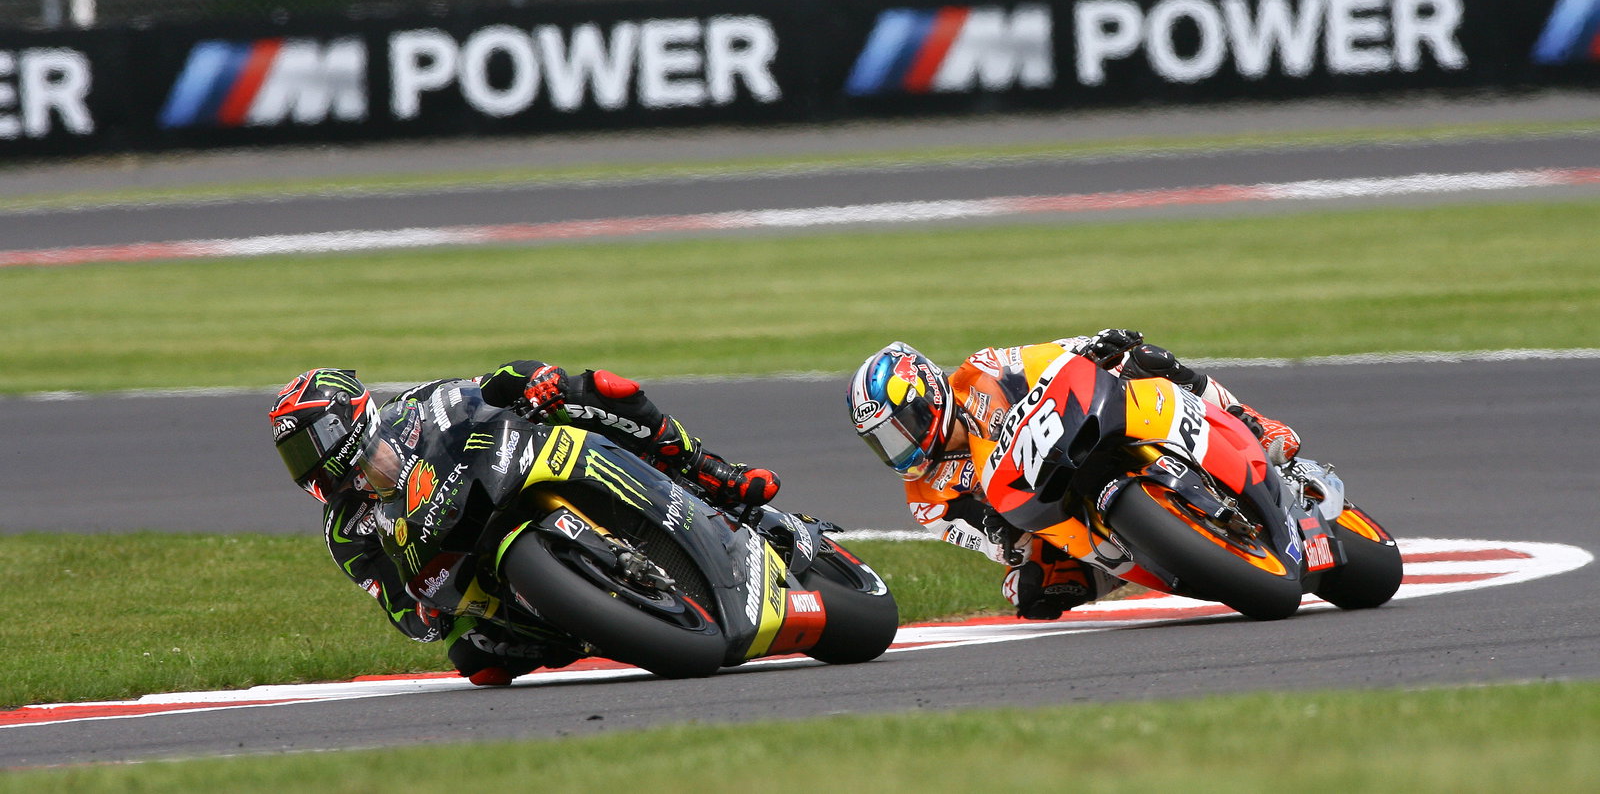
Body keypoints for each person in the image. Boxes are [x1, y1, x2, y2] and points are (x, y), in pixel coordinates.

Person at [269, 363, 779, 686]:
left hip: (506, 474)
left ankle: (712, 473)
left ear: (351, 417)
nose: (308, 462)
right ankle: (585, 627)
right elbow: (399, 606)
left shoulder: (418, 407)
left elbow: (491, 386)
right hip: (469, 572)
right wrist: (428, 614)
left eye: (312, 443)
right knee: (476, 660)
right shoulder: (346, 531)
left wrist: (537, 381)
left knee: (597, 389)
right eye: (295, 455)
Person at [846, 331, 1299, 620]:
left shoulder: (983, 369)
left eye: (901, 427)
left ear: (927, 394)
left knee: (1145, 359)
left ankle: (1250, 421)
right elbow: (990, 541)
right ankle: (1137, 561)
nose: (901, 445)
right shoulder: (928, 496)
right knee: (1026, 592)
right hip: (1055, 513)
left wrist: (1096, 346)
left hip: (1086, 430)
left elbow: (1056, 356)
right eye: (884, 441)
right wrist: (998, 533)